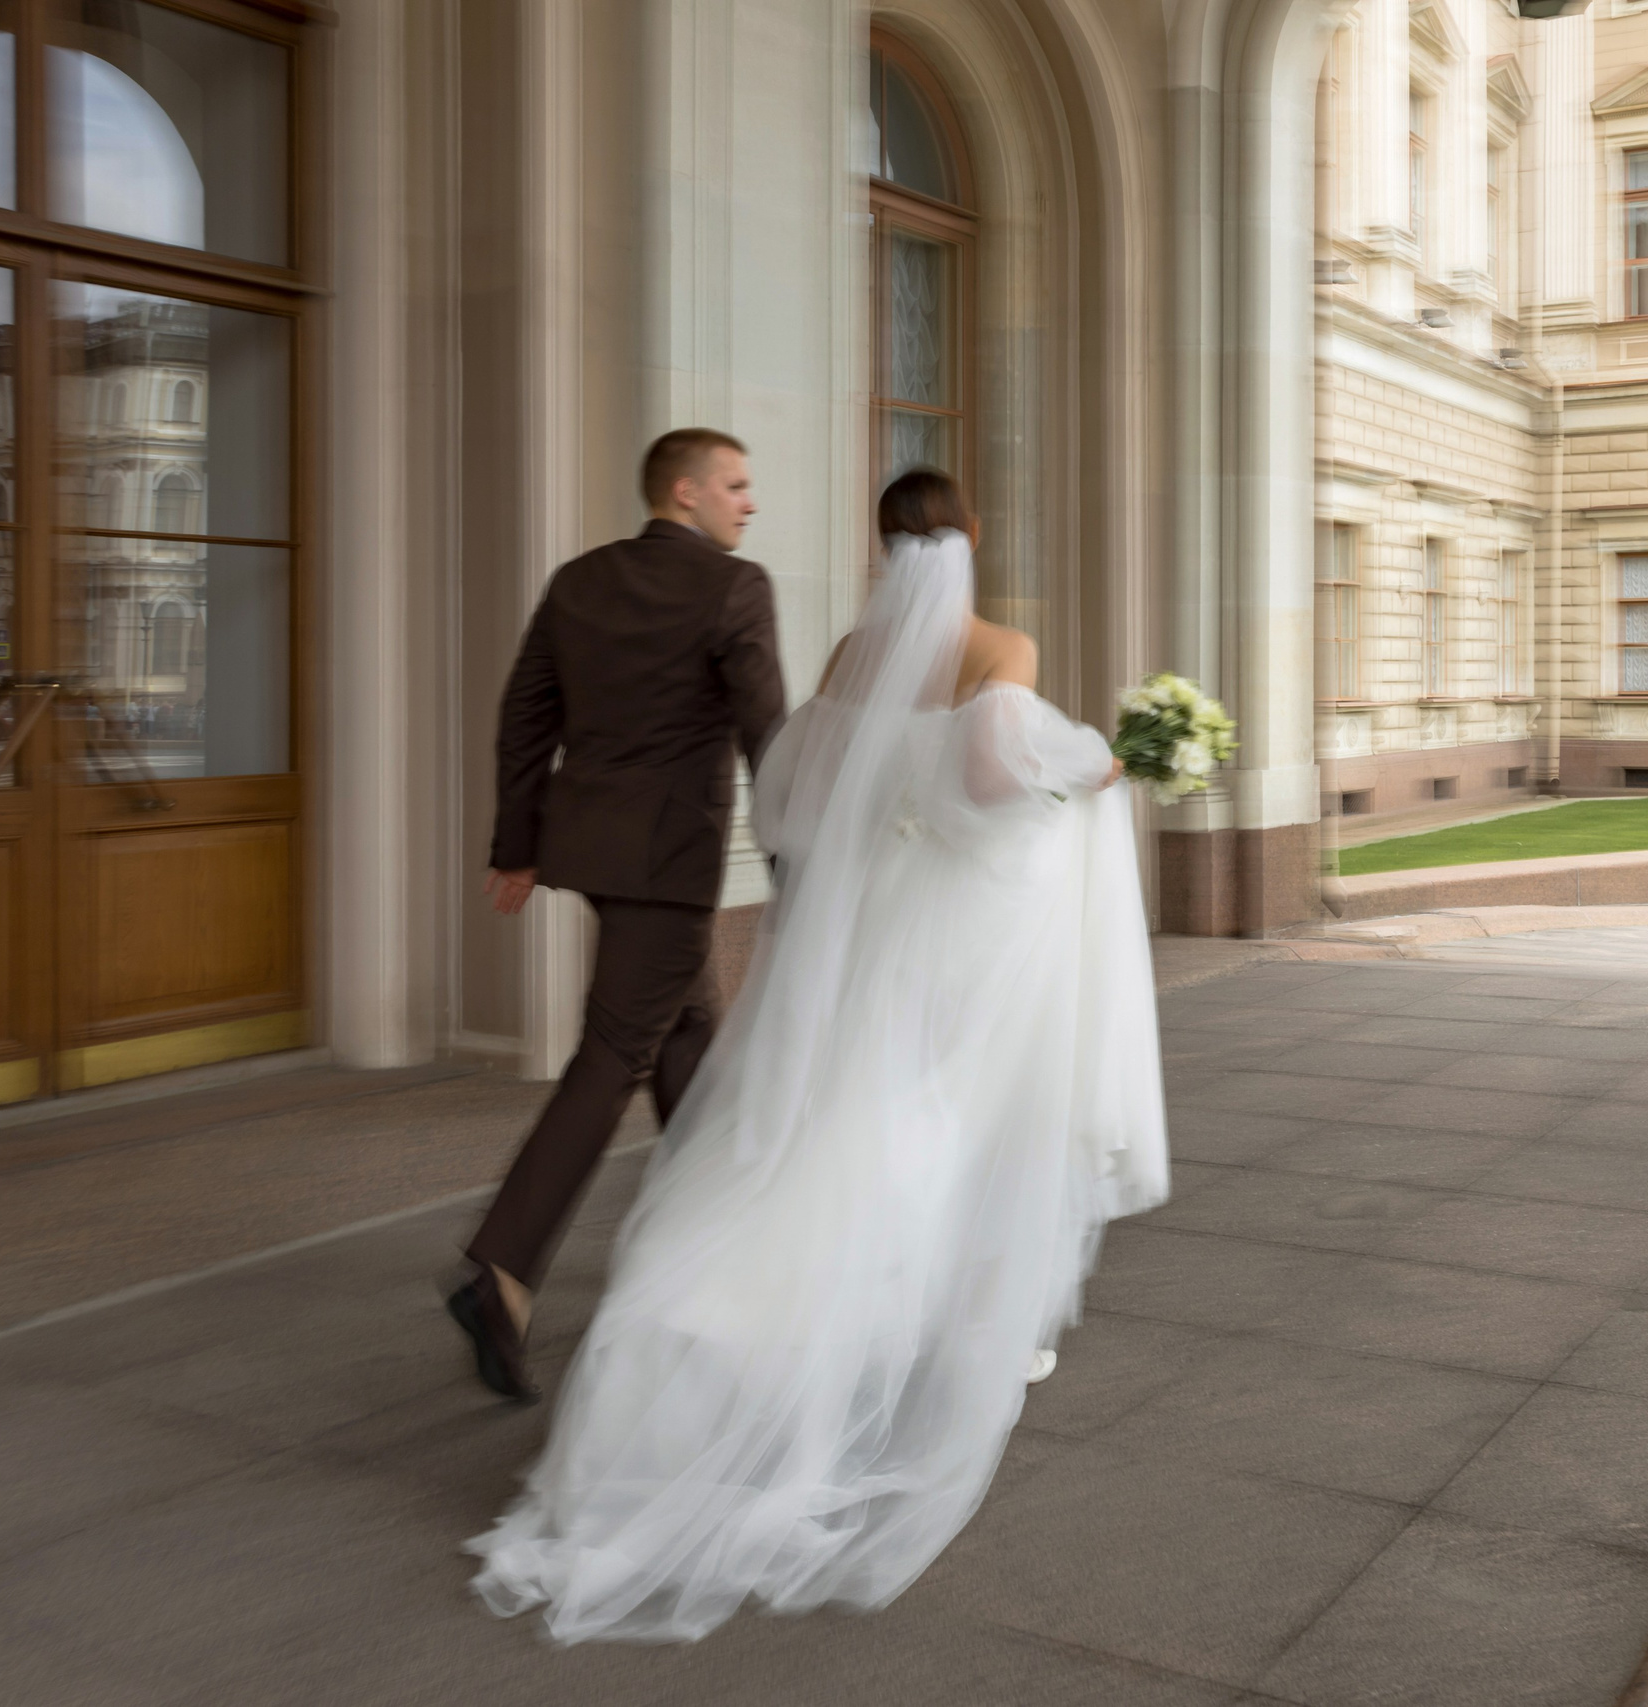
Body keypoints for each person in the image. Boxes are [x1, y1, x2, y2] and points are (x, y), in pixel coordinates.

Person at [466, 469, 1168, 1644]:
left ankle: (760, 1301)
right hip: (958, 926)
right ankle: (926, 1319)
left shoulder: (849, 655)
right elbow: (994, 779)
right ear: (972, 536)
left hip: (867, 924)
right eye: (733, 483)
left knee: (849, 1100)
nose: (745, 497)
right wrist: (1092, 769)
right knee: (939, 1111)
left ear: (883, 543)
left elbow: (797, 790)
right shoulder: (1002, 646)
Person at [449, 428, 785, 1403]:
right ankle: (500, 1272)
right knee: (614, 1056)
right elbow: (768, 734)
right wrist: (801, 852)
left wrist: (518, 843)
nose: (748, 503)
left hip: (592, 849)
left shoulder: (579, 581)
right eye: (735, 484)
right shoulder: (736, 588)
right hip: (672, 862)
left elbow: (524, 716)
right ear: (683, 493)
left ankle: (714, 1246)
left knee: (688, 1034)